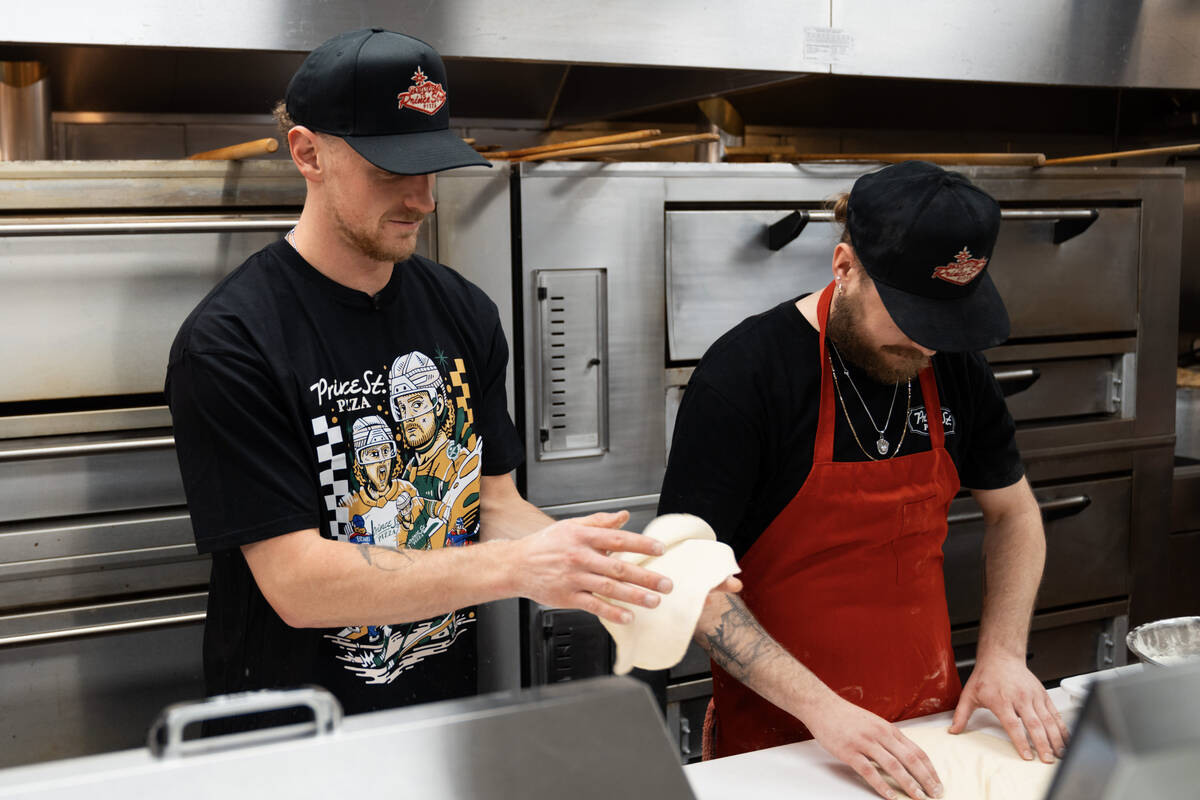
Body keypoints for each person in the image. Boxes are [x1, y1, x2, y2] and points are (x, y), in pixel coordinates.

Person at [166, 28, 726, 717]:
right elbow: (298, 584)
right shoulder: (233, 342)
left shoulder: (461, 312)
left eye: (430, 168)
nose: (423, 200)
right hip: (289, 739)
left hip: (439, 717)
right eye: (389, 171)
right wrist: (517, 570)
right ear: (308, 152)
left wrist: (614, 571)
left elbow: (492, 506)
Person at [659, 161, 1068, 800]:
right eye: (911, 317)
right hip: (785, 744)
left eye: (947, 325)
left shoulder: (953, 364)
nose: (930, 348)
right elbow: (689, 582)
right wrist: (826, 713)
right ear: (844, 266)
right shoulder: (745, 377)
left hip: (931, 730)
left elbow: (1014, 514)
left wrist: (1004, 654)